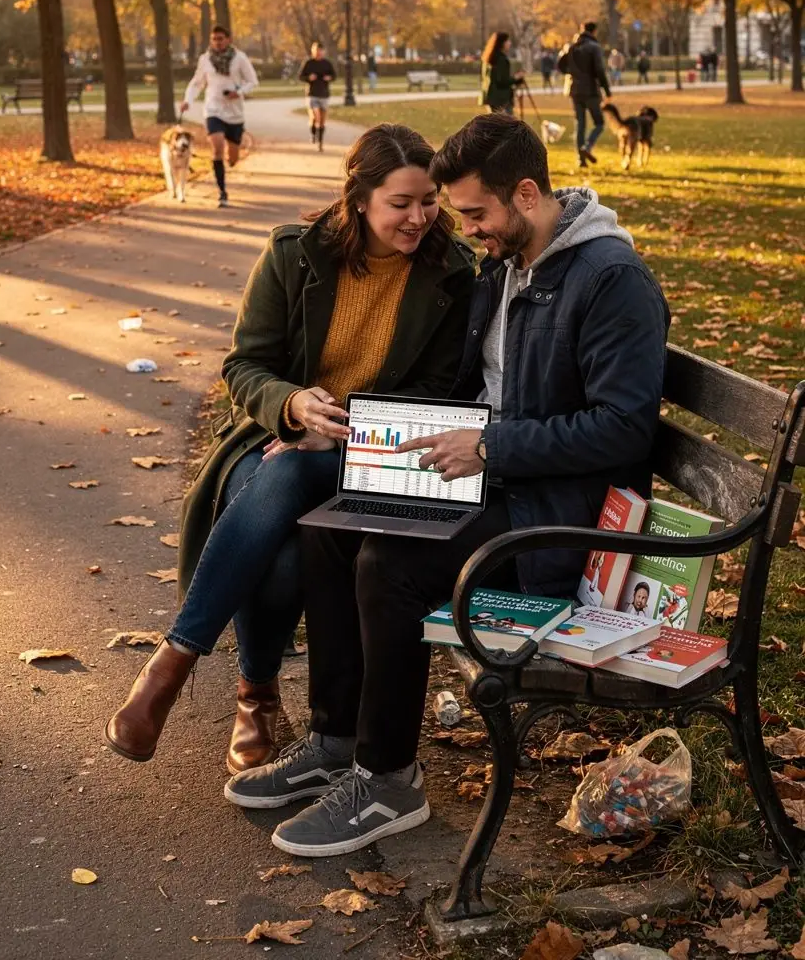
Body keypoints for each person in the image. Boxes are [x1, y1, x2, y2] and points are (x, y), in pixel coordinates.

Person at [227, 113, 670, 855]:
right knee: (332, 527)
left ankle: (389, 780)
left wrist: (491, 445)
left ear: (526, 194)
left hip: (561, 516)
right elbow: (475, 388)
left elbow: (624, 429)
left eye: (475, 213)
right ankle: (338, 741)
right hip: (499, 482)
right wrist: (380, 438)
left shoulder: (609, 280)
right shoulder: (509, 265)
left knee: (390, 565)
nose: (466, 230)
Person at [104, 125, 476, 776]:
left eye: (429, 201)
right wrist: (293, 404)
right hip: (276, 432)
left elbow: (436, 390)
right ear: (359, 198)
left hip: (381, 446)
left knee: (297, 465)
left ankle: (175, 665)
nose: (420, 217)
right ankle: (257, 694)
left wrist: (335, 420)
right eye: (401, 203)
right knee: (276, 547)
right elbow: (246, 364)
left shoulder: (452, 273)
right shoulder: (293, 254)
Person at [181, 25, 257, 207]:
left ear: (228, 39)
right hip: (213, 110)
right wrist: (188, 100)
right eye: (214, 39)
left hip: (235, 113)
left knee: (232, 158)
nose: (217, 42)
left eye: (221, 38)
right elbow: (196, 83)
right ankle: (222, 192)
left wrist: (238, 91)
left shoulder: (239, 58)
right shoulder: (205, 59)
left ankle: (234, 152)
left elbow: (252, 81)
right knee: (217, 147)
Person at [558, 20, 611, 169]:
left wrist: (573, 72)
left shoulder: (572, 47)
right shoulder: (594, 47)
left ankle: (580, 159)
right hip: (591, 91)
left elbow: (560, 65)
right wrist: (607, 90)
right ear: (594, 32)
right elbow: (600, 70)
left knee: (580, 124)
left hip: (575, 90)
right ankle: (587, 147)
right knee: (599, 123)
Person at [299, 41, 336, 150]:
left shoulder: (327, 63)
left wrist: (329, 78)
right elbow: (301, 76)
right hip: (312, 94)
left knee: (322, 120)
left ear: (323, 52)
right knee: (316, 117)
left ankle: (320, 142)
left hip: (324, 94)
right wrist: (309, 78)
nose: (318, 53)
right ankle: (314, 133)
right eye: (316, 51)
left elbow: (334, 76)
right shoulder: (308, 63)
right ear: (313, 51)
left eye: (320, 51)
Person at [482, 31, 522, 114]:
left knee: (494, 124)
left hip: (491, 97)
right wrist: (516, 78)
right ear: (502, 43)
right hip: (502, 99)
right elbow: (502, 81)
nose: (509, 43)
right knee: (506, 124)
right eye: (508, 41)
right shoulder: (501, 60)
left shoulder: (488, 59)